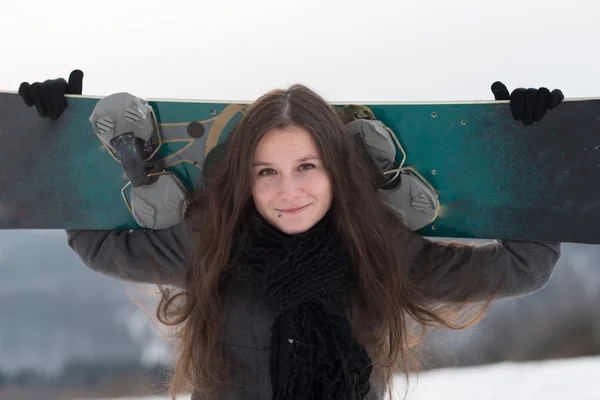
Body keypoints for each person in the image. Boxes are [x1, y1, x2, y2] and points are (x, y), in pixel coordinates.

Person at [19, 70, 563, 400]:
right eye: (266, 172)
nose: (288, 191)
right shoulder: (211, 244)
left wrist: (530, 146)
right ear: (245, 180)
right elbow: (94, 242)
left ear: (337, 169)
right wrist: (64, 137)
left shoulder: (379, 252)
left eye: (307, 166)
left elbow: (524, 265)